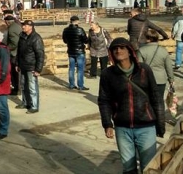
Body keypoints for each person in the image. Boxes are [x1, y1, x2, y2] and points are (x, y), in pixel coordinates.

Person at [98, 38, 164, 174]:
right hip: (122, 128)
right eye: (115, 49)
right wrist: (107, 124)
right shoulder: (107, 74)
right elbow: (104, 100)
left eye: (122, 48)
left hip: (146, 126)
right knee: (128, 168)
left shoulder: (144, 70)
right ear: (111, 53)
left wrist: (160, 123)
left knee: (148, 167)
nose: (118, 51)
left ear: (129, 51)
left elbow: (156, 97)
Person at [138, 29, 174, 112]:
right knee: (159, 100)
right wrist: (171, 79)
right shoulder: (163, 51)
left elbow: (139, 67)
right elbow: (168, 67)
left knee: (148, 99)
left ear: (148, 39)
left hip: (147, 79)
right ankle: (160, 117)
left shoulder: (141, 50)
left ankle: (149, 116)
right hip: (160, 79)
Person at [16, 20, 44, 114]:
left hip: (31, 67)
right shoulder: (22, 36)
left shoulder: (36, 38)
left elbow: (40, 54)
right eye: (23, 25)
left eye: (25, 25)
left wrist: (38, 69)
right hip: (23, 65)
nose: (23, 27)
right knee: (23, 85)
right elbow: (19, 52)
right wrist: (17, 64)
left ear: (30, 27)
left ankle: (34, 106)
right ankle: (25, 102)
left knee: (32, 87)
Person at [62, 15, 89, 91]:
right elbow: (85, 40)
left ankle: (71, 85)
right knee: (80, 69)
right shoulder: (80, 30)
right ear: (77, 21)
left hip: (71, 50)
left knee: (71, 68)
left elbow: (64, 40)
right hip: (80, 51)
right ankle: (80, 85)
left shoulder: (66, 30)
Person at [4, 15, 22, 96]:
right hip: (18, 52)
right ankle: (18, 88)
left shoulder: (11, 29)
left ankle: (17, 89)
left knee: (14, 72)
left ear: (7, 22)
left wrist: (7, 48)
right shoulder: (17, 26)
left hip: (14, 53)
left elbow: (15, 43)